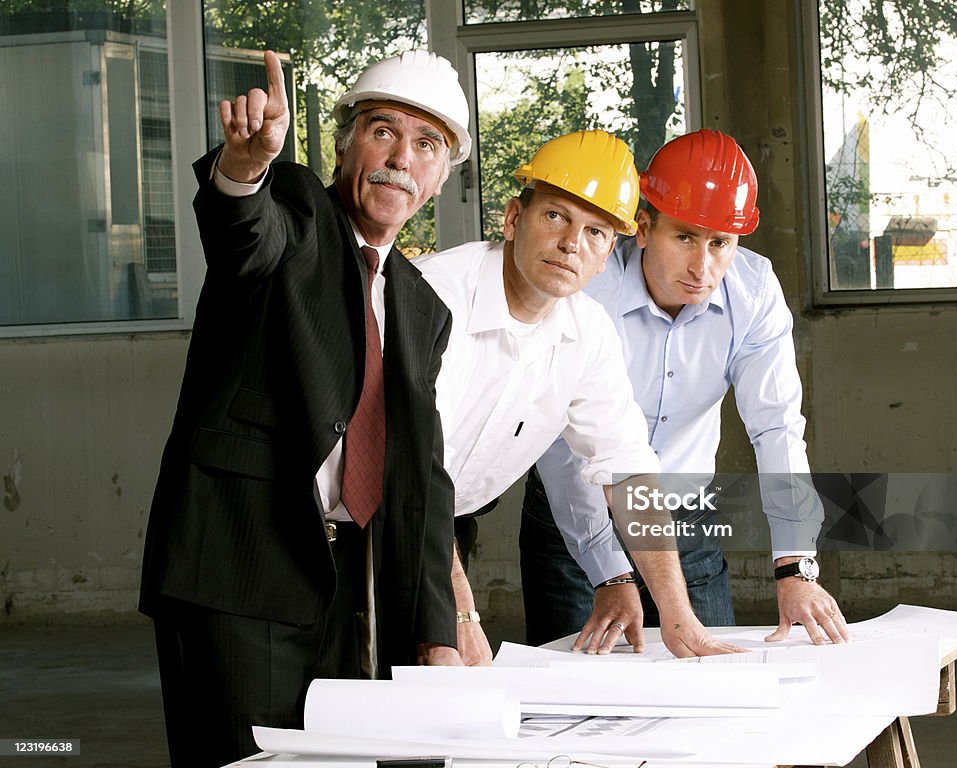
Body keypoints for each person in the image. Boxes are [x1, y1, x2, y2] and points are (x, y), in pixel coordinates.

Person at [139, 50, 469, 768]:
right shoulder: (296, 211)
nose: (399, 159)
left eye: (426, 145)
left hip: (350, 588)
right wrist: (244, 166)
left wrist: (440, 632)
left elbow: (422, 480)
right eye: (382, 131)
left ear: (442, 176)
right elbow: (243, 233)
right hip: (239, 570)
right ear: (346, 141)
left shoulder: (422, 308)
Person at [414, 130, 744, 665]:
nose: (573, 244)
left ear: (609, 250)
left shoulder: (587, 331)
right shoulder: (435, 297)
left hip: (437, 522)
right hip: (349, 519)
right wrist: (457, 614)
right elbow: (411, 467)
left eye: (595, 231)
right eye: (555, 218)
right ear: (514, 217)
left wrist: (681, 618)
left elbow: (629, 471)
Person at [519, 129, 851, 648]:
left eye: (721, 243)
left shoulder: (754, 291)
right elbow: (560, 444)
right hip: (576, 518)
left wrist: (795, 567)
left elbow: (777, 427)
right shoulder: (586, 288)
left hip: (685, 514)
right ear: (644, 227)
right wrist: (610, 573)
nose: (703, 267)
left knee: (711, 675)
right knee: (579, 702)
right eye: (685, 238)